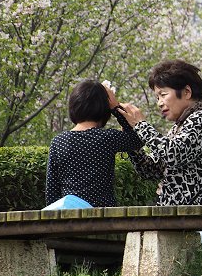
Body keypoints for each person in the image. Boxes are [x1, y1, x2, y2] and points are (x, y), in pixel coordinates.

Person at [119, 60, 202, 206]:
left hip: (197, 215)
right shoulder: (179, 126)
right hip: (177, 215)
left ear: (187, 92)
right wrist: (131, 140)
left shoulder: (201, 120)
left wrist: (140, 124)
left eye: (163, 95)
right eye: (157, 98)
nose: (159, 103)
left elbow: (173, 154)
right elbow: (150, 170)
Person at [45, 80, 144, 208]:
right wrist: (115, 108)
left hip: (69, 215)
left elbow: (52, 192)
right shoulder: (107, 138)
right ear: (104, 110)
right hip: (103, 215)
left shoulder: (58, 142)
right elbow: (137, 139)